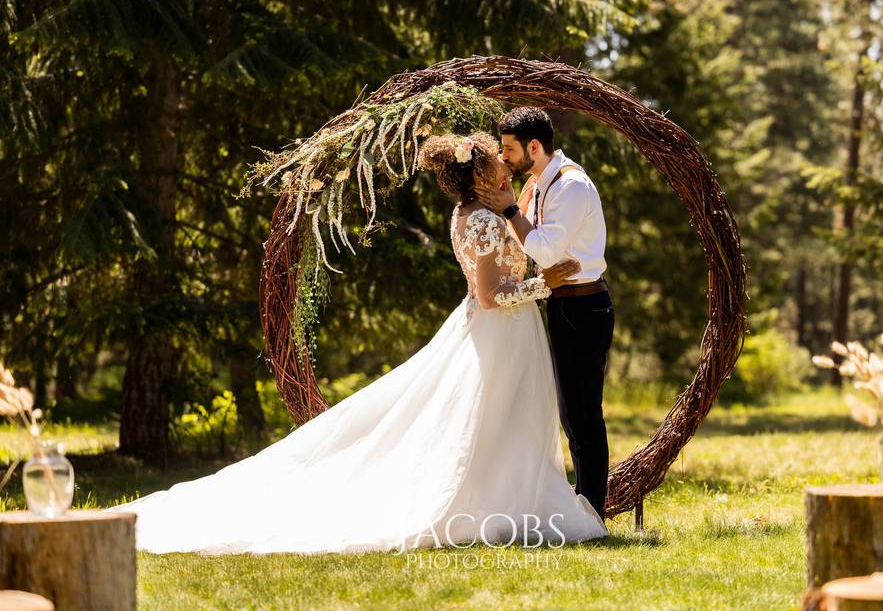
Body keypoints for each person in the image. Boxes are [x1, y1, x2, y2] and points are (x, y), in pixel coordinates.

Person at [105, 131, 608, 555]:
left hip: (511, 334)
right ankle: (498, 503)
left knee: (507, 420)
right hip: (501, 331)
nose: (507, 164)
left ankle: (515, 497)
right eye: (500, 160)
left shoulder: (481, 212)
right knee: (494, 417)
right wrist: (549, 283)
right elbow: (491, 295)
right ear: (480, 177)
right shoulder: (478, 220)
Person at [476, 107, 614, 519]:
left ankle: (592, 511)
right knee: (571, 414)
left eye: (510, 149)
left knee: (584, 415)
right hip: (564, 303)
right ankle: (583, 503)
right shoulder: (539, 184)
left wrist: (508, 210)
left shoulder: (571, 186)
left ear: (534, 147)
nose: (505, 158)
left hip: (585, 306)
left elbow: (546, 251)